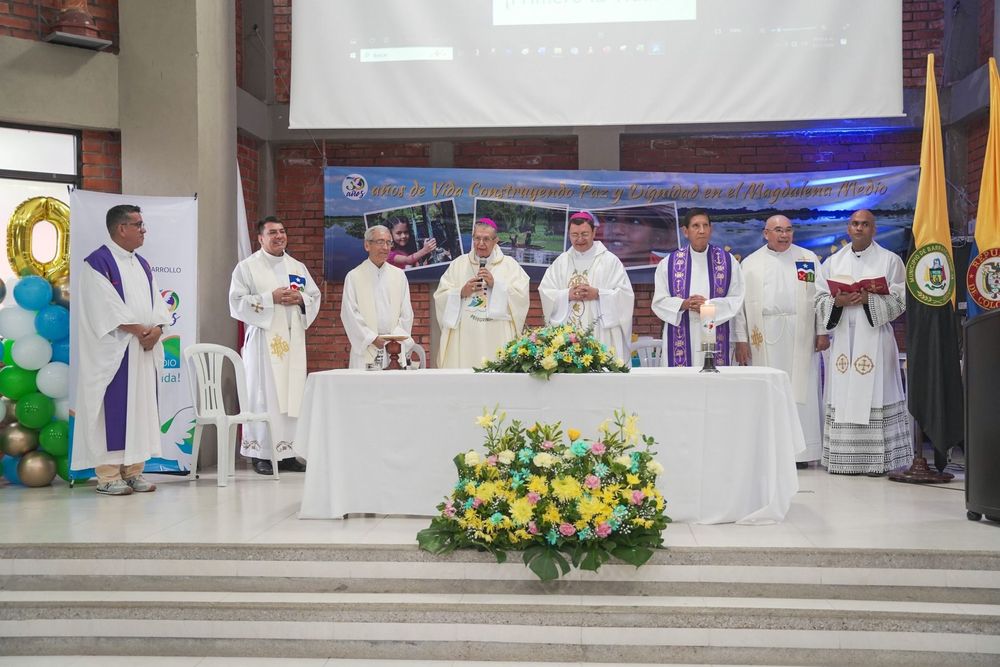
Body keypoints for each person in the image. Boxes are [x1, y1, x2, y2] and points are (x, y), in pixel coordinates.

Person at [72, 204, 171, 495]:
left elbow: (157, 304)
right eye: (138, 225)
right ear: (121, 228)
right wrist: (141, 331)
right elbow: (105, 307)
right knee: (111, 411)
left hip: (141, 350)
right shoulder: (97, 263)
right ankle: (108, 475)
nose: (144, 230)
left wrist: (157, 330)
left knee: (139, 409)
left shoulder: (142, 264)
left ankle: (133, 471)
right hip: (114, 352)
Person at [815, 209, 910, 475]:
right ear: (848, 228)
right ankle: (843, 458)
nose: (859, 228)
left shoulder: (890, 260)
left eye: (865, 224)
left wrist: (869, 298)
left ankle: (878, 461)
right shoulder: (833, 262)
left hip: (875, 335)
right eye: (855, 224)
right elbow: (818, 299)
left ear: (873, 229)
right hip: (844, 335)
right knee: (844, 392)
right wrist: (838, 301)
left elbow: (901, 299)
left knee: (878, 391)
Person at [732, 215, 829, 467]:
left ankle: (802, 453)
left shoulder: (806, 259)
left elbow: (818, 297)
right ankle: (770, 451)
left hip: (800, 332)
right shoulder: (751, 263)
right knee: (769, 391)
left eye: (788, 230)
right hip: (764, 335)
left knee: (801, 392)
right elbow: (740, 306)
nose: (784, 235)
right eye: (777, 230)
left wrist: (821, 330)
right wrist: (741, 339)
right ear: (766, 234)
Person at [229, 216, 321, 475]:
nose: (279, 236)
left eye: (282, 231)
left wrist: (300, 298)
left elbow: (314, 296)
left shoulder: (297, 267)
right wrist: (270, 298)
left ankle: (288, 453)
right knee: (264, 396)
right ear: (260, 238)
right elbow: (236, 303)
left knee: (292, 395)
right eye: (272, 233)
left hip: (292, 341)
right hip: (263, 343)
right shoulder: (247, 267)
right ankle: (261, 454)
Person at [651, 208, 745, 366]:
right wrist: (683, 304)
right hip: (680, 333)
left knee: (712, 378)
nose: (701, 231)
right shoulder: (668, 263)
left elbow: (737, 299)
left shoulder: (727, 262)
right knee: (683, 380)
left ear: (710, 229)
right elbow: (659, 302)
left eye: (705, 225)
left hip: (715, 331)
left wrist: (708, 306)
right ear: (685, 231)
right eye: (696, 226)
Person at [434, 217, 530, 368]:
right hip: (465, 338)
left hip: (496, 337)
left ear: (496, 240)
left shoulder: (510, 265)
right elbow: (440, 295)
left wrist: (495, 285)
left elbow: (521, 296)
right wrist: (461, 292)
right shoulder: (459, 264)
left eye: (486, 239)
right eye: (477, 238)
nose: (480, 244)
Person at [539, 211, 634, 357]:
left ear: (594, 232)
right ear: (569, 235)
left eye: (584, 234)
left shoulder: (610, 261)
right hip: (568, 332)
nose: (579, 239)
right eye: (574, 235)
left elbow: (625, 295)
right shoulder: (561, 262)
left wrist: (598, 294)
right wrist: (567, 294)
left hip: (600, 331)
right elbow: (546, 291)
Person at [341, 225, 415, 368]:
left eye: (388, 242)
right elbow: (349, 313)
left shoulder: (399, 275)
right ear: (367, 245)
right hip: (367, 348)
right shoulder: (354, 276)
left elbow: (407, 313)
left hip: (394, 349)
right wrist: (372, 338)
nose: (385, 247)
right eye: (380, 242)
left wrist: (394, 338)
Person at [598, 211, 677, 266]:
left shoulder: (666, 272)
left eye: (634, 221)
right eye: (611, 219)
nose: (617, 230)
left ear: (657, 237)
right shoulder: (593, 269)